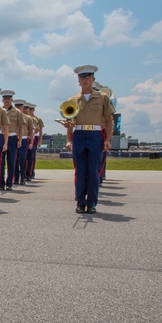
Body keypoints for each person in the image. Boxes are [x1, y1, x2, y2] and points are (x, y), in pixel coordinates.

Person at [65, 65, 114, 214]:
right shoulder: (72, 100)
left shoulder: (102, 98)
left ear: (93, 79)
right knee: (80, 170)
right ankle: (80, 202)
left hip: (95, 135)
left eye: (87, 77)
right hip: (79, 135)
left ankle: (91, 202)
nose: (84, 80)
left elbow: (108, 119)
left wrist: (108, 139)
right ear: (78, 81)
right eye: (81, 78)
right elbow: (70, 122)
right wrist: (68, 139)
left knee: (93, 171)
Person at [1, 91, 23, 190]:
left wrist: (20, 139)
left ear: (12, 100)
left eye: (8, 99)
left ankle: (9, 182)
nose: (6, 101)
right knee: (0, 162)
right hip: (1, 137)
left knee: (11, 161)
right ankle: (1, 183)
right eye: (5, 99)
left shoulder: (17, 112)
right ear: (2, 100)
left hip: (12, 137)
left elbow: (21, 126)